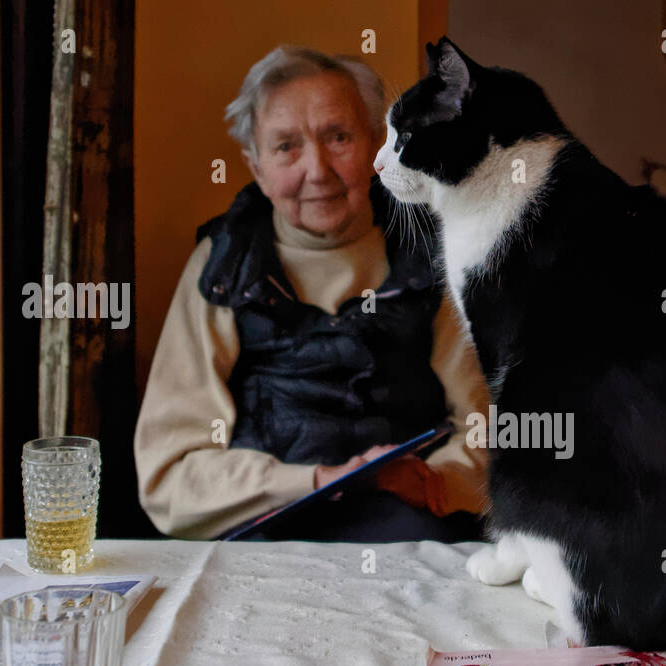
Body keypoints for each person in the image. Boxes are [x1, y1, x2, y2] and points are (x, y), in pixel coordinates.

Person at [134, 46, 491, 542]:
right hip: (264, 537)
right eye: (286, 147)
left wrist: (437, 482)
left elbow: (485, 423)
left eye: (338, 137)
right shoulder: (222, 266)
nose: (318, 171)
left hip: (408, 531)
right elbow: (169, 473)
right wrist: (313, 483)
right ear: (256, 166)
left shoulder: (436, 252)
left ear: (376, 145)